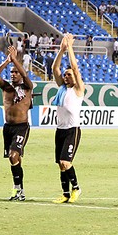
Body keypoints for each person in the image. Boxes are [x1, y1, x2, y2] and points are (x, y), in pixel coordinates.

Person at [0, 46, 34, 201]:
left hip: (22, 127)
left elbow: (24, 74)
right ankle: (21, 191)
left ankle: (16, 189)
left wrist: (15, 60)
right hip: (7, 127)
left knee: (13, 155)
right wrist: (7, 61)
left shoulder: (27, 87)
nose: (13, 74)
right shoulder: (6, 88)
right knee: (16, 159)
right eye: (11, 72)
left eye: (16, 72)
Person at [51, 33, 84, 203]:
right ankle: (65, 193)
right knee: (60, 164)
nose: (66, 76)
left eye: (69, 74)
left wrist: (70, 47)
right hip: (60, 130)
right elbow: (54, 69)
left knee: (65, 161)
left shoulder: (77, 89)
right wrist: (61, 50)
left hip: (73, 130)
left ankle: (76, 188)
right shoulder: (62, 88)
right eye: (65, 75)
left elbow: (75, 68)